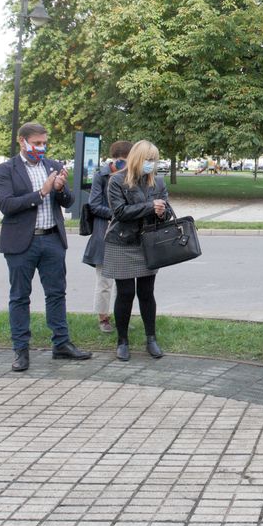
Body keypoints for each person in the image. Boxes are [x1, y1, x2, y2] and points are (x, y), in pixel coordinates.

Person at [0, 122, 91, 372]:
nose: (41, 147)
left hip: (51, 240)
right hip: (21, 242)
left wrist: (59, 190)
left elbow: (69, 202)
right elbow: (6, 205)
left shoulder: (54, 166)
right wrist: (42, 192)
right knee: (19, 296)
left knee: (56, 293)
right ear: (22, 141)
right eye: (36, 143)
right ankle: (21, 350)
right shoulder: (6, 170)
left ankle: (61, 343)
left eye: (44, 143)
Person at [104, 140, 171, 361]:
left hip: (147, 244)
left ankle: (151, 338)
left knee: (146, 292)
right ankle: (122, 340)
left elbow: (168, 213)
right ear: (137, 158)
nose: (152, 164)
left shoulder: (158, 182)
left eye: (154, 160)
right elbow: (120, 212)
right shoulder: (117, 181)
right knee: (125, 293)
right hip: (122, 242)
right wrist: (150, 207)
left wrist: (162, 212)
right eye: (148, 160)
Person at [83, 140, 132, 333]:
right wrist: (117, 213)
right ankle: (103, 318)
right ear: (114, 159)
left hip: (126, 233)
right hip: (105, 232)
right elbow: (94, 204)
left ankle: (121, 315)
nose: (124, 164)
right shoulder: (101, 176)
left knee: (124, 280)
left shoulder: (130, 175)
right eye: (122, 160)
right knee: (104, 281)